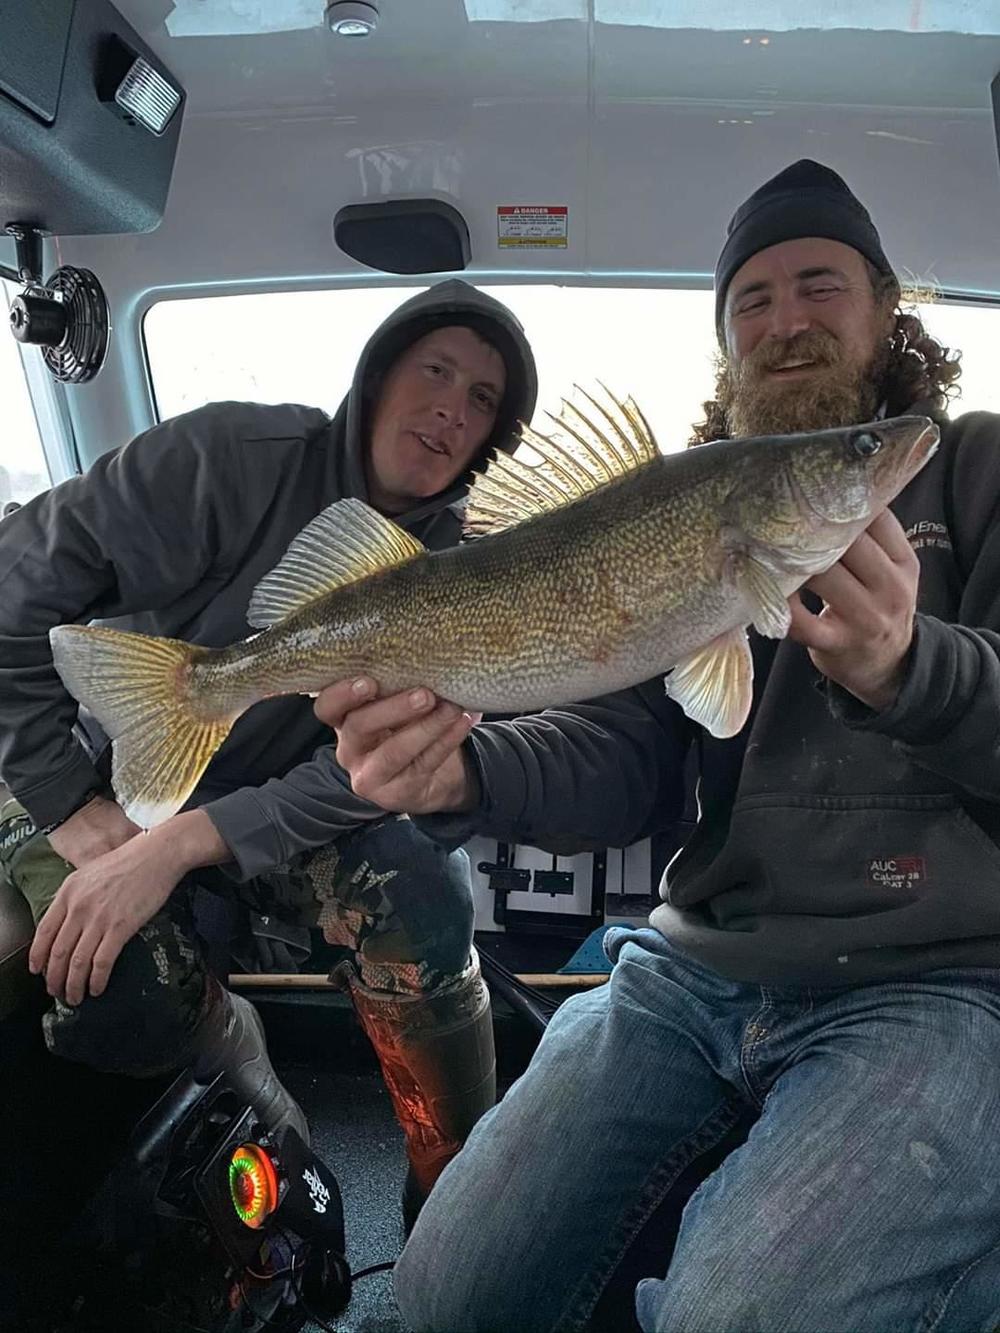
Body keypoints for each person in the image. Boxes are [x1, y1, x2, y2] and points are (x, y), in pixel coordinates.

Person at [318, 162, 1000, 1330]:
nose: (784, 320)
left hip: (937, 981)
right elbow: (630, 758)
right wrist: (468, 772)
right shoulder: (688, 508)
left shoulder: (976, 467)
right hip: (693, 967)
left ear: (886, 306)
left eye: (818, 284)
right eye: (750, 301)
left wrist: (911, 667)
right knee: (441, 1289)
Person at [0, 279, 538, 1226]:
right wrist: (68, 799)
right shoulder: (225, 460)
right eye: (437, 371)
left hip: (265, 821)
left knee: (425, 896)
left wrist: (180, 845)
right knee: (120, 990)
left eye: (484, 399)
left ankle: (453, 1201)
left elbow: (362, 781)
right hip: (102, 780)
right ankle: (231, 1049)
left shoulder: (465, 578)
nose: (455, 407)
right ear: (378, 378)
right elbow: (11, 587)